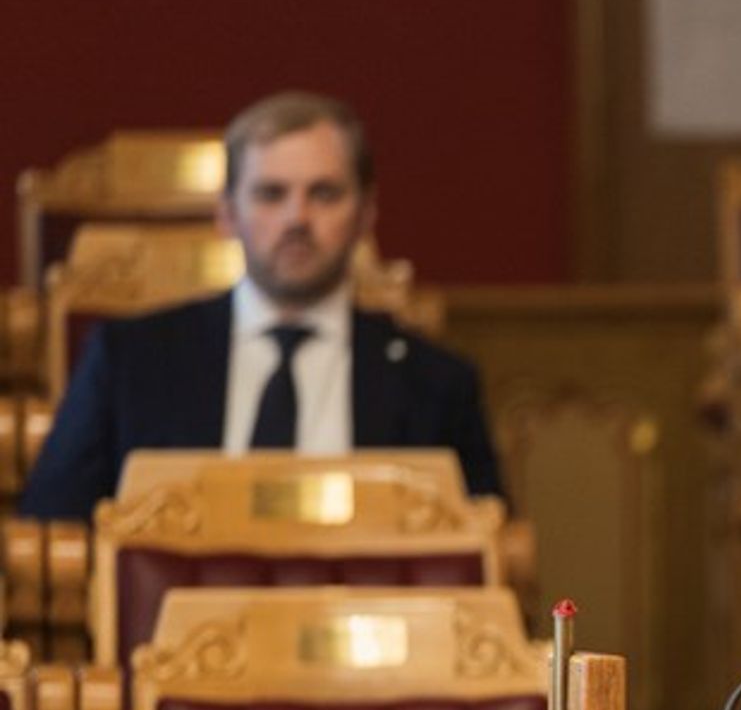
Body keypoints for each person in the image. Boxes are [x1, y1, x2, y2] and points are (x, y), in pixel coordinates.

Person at [18, 91, 503, 521]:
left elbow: (487, 546)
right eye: (271, 193)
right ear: (227, 213)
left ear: (365, 214)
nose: (297, 218)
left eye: (324, 194)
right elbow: (47, 532)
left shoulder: (436, 384)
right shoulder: (131, 360)